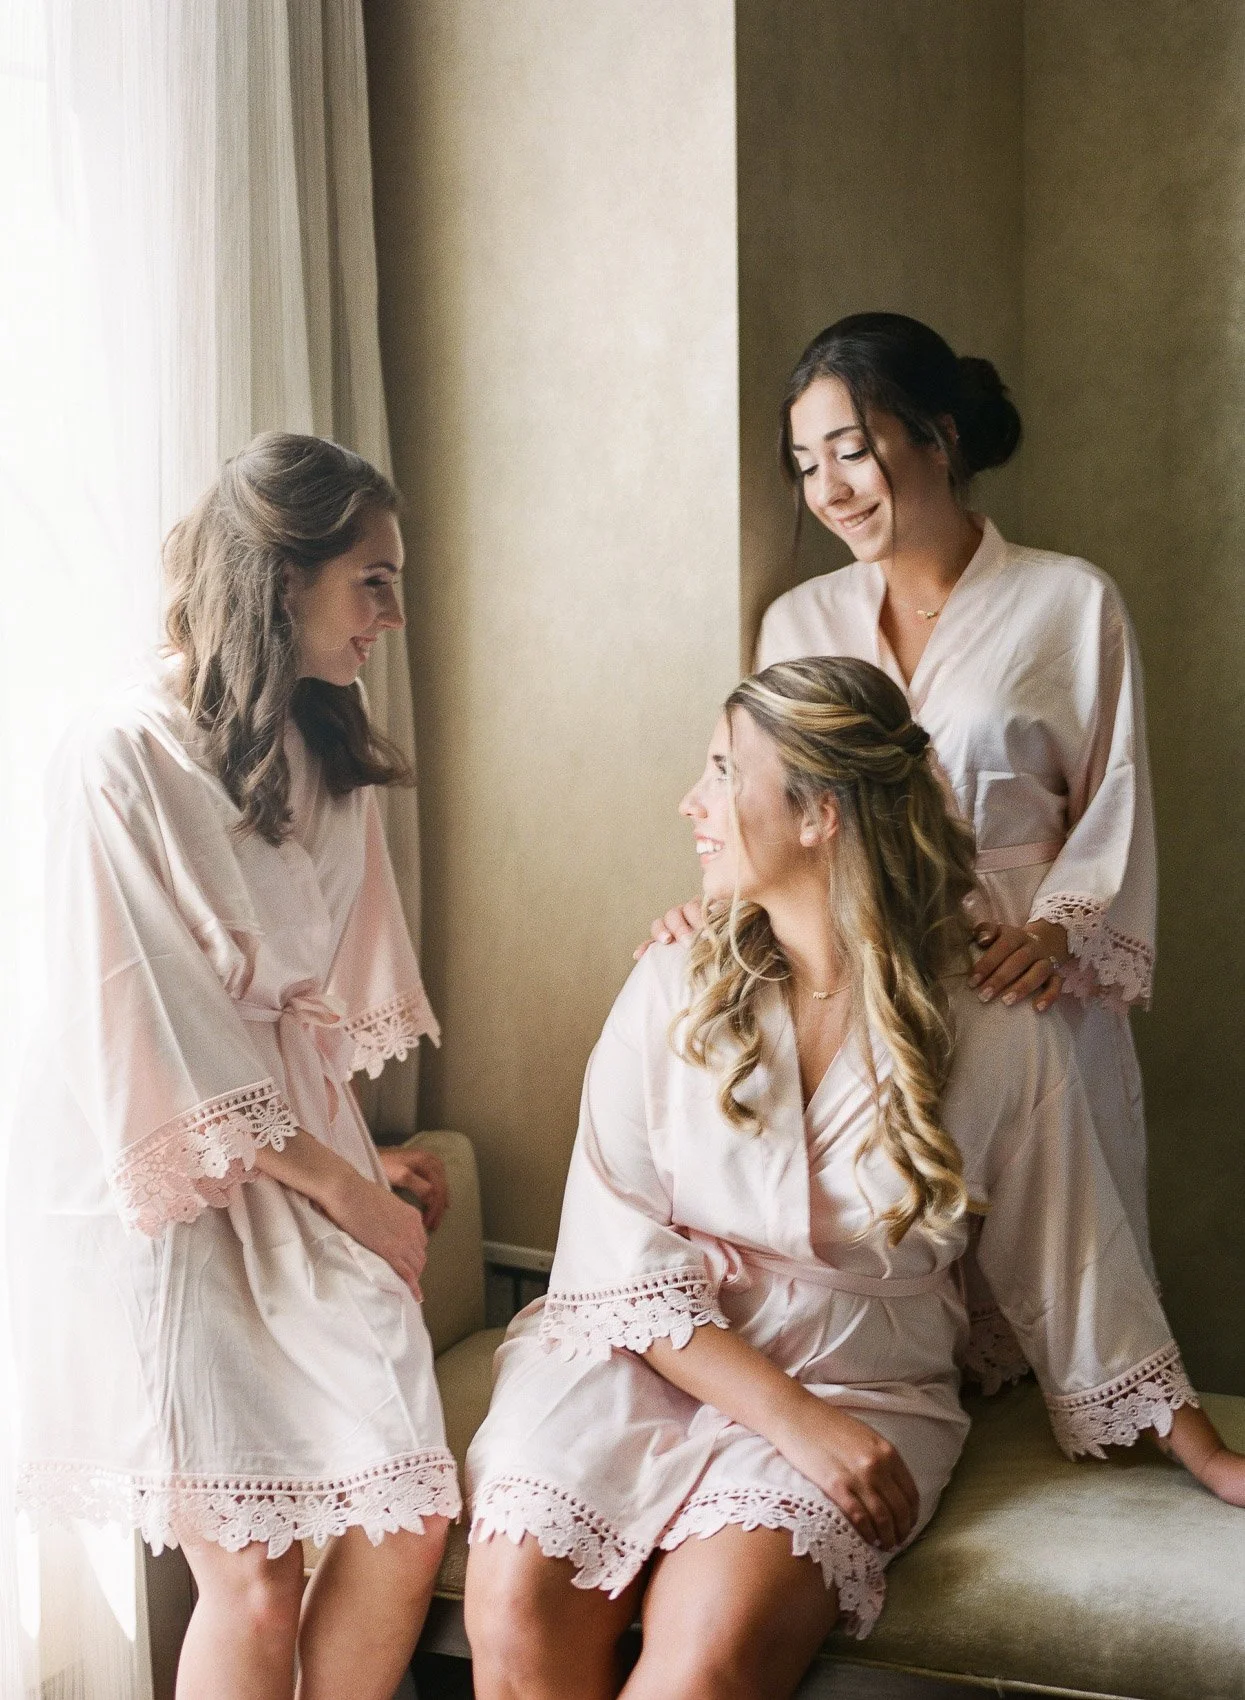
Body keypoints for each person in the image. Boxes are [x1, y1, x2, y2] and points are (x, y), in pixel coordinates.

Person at [464, 657, 1243, 1700]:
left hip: (858, 1376)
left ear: (821, 813)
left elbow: (1076, 1256)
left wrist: (1207, 1454)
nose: (688, 802)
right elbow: (613, 1253)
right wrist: (793, 1420)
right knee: (515, 1604)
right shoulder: (670, 982)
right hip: (640, 1358)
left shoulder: (995, 1022)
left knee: (705, 1661)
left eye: (720, 770)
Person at [8, 434, 457, 1700]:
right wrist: (352, 1191)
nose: (393, 614)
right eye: (372, 580)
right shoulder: (116, 756)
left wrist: (362, 1162)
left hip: (301, 1165)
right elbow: (157, 1033)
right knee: (253, 1576)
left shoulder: (327, 757)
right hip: (156, 1188)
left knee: (405, 1512)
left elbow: (315, 1019)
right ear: (281, 574)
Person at [650, 313, 1158, 1379]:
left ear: (936, 433)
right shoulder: (798, 619)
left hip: (1019, 978)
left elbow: (1113, 795)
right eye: (805, 464)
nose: (830, 487)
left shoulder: (1070, 601)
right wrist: (721, 915)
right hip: (864, 982)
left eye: (850, 449)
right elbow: (769, 806)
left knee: (1051, 1254)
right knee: (891, 1237)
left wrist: (1064, 933)